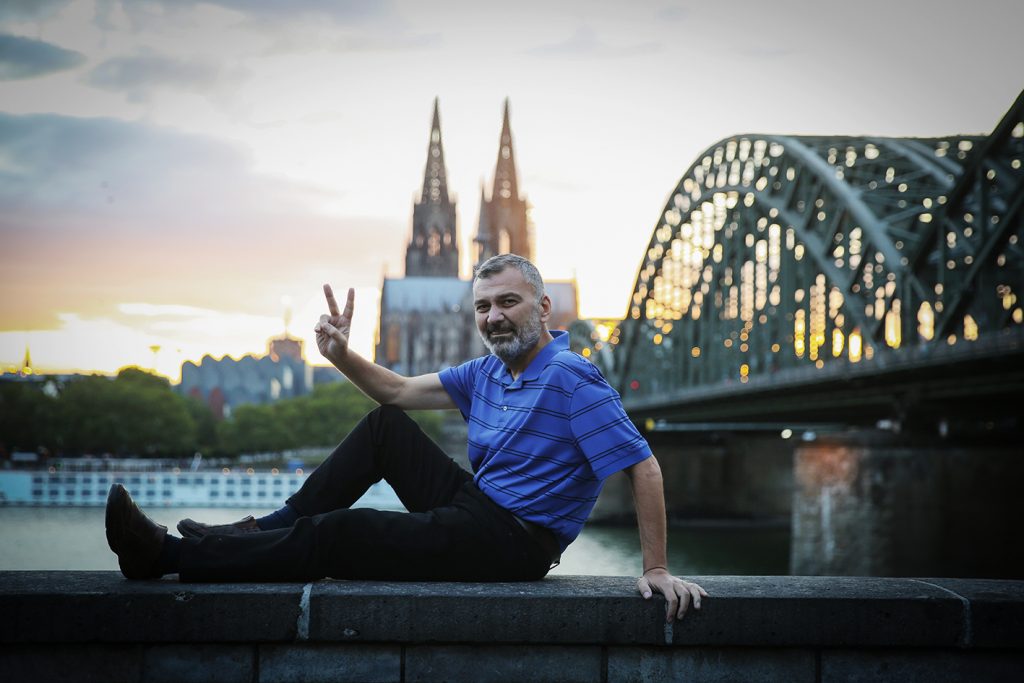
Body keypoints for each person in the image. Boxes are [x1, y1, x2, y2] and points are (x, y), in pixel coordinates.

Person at [105, 254, 707, 621]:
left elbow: (643, 467)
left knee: (342, 532)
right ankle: (258, 529)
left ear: (544, 306)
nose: (494, 316)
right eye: (483, 307)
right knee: (385, 428)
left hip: (515, 541)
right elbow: (394, 393)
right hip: (481, 508)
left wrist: (655, 568)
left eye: (509, 303)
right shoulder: (490, 370)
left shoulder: (572, 378)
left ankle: (167, 557)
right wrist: (342, 354)